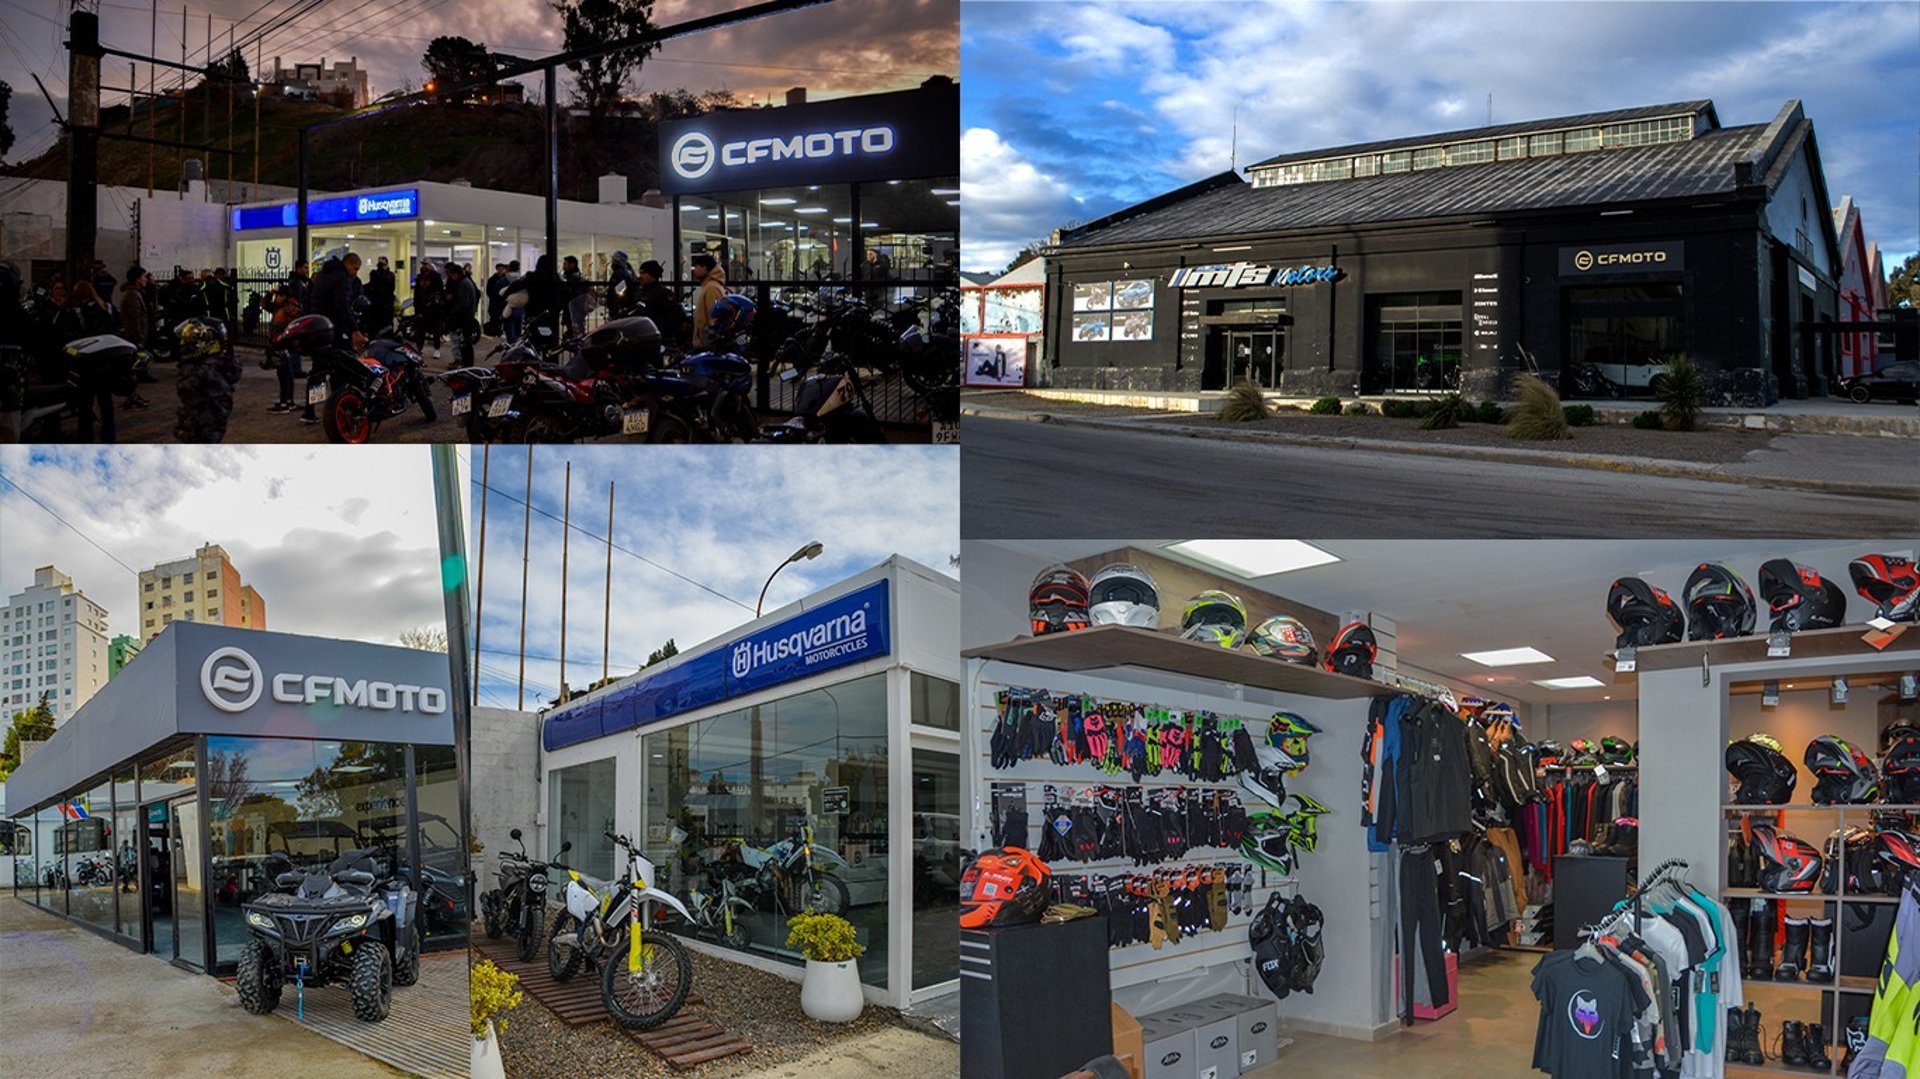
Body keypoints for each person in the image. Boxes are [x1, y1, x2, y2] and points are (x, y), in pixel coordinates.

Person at [52, 281, 120, 441]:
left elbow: (59, 335)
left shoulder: (69, 311)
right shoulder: (106, 308)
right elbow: (116, 329)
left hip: (82, 362)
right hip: (104, 361)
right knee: (105, 400)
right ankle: (109, 434)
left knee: (85, 403)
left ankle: (85, 436)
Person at [116, 267, 152, 411]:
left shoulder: (135, 293)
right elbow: (134, 319)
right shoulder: (132, 295)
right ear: (137, 279)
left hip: (135, 337)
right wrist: (138, 338)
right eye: (144, 277)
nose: (146, 279)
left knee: (133, 370)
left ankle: (132, 395)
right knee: (132, 369)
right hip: (133, 338)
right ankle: (130, 396)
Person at [504, 255, 561, 341]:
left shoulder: (532, 276)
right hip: (551, 313)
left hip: (534, 312)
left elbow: (516, 286)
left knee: (534, 338)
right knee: (550, 338)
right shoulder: (555, 278)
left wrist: (506, 293)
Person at [633, 259, 684, 342]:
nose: (640, 276)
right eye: (640, 273)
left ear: (652, 274)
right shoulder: (640, 292)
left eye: (643, 273)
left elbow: (676, 315)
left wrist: (662, 330)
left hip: (657, 336)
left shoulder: (663, 293)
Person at [688, 252, 728, 349]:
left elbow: (714, 317)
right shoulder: (709, 286)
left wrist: (709, 340)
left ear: (704, 268)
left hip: (706, 344)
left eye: (697, 267)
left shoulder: (711, 288)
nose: (694, 271)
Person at [444, 263, 480, 366]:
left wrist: (453, 315)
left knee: (463, 342)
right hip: (467, 316)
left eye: (452, 275)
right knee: (464, 341)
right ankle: (465, 362)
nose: (451, 277)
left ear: (456, 274)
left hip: (463, 318)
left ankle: (465, 363)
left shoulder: (463, 284)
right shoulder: (467, 282)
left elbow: (462, 304)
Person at [413, 261, 444, 359]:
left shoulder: (436, 277)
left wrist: (436, 302)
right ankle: (419, 348)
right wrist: (416, 306)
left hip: (433, 309)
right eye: (422, 265)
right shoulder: (419, 277)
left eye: (426, 264)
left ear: (430, 266)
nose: (423, 266)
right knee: (420, 330)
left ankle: (437, 349)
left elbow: (440, 290)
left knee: (436, 330)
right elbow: (416, 292)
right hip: (421, 308)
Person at [365, 255, 397, 335]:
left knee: (387, 326)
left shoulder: (390, 275)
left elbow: (390, 286)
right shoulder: (374, 274)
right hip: (376, 305)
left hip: (386, 305)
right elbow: (373, 285)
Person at [561, 255, 592, 336]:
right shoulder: (577, 276)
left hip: (574, 310)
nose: (563, 266)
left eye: (565, 264)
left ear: (572, 265)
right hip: (576, 310)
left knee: (576, 331)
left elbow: (574, 293)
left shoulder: (574, 278)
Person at [605, 251, 638, 319]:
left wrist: (612, 293)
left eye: (614, 258)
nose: (612, 260)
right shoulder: (626, 272)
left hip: (619, 307)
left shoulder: (620, 273)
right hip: (622, 306)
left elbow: (619, 290)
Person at [502, 259, 525, 344]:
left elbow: (496, 296)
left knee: (510, 333)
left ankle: (512, 351)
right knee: (518, 332)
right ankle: (517, 348)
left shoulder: (504, 280)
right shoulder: (522, 280)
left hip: (507, 308)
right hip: (520, 308)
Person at [484, 262, 509, 336]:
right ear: (497, 269)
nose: (501, 270)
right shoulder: (492, 279)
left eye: (502, 269)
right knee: (495, 318)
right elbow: (488, 291)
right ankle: (496, 331)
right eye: (499, 269)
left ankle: (502, 331)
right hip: (495, 303)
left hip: (504, 303)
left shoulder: (506, 279)